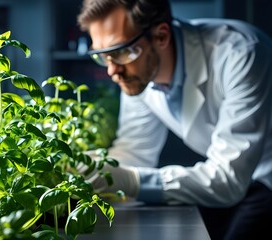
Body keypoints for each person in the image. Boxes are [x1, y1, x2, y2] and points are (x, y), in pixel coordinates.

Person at [76, 0, 272, 239]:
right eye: (103, 56)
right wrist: (93, 168)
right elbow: (136, 151)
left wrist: (129, 180)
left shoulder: (241, 54)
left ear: (161, 36)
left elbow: (228, 179)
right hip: (226, 181)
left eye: (120, 51)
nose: (111, 71)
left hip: (264, 175)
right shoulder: (139, 73)